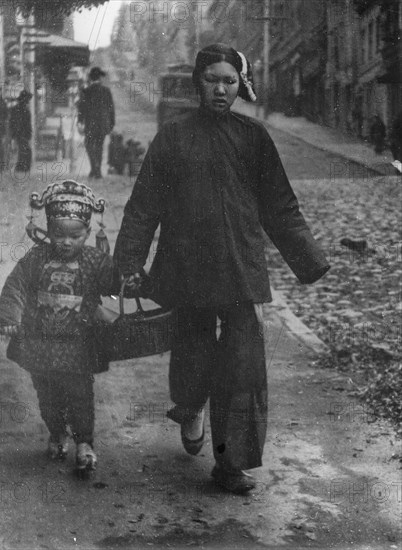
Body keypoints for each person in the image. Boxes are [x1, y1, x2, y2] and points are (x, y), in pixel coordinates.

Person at [113, 44, 330, 495]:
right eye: (212, 79)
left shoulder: (253, 137)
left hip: (239, 267)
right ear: (198, 82)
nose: (220, 88)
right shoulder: (173, 137)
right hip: (186, 268)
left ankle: (232, 463)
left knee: (243, 367)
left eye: (229, 81)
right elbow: (143, 206)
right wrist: (129, 264)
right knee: (192, 350)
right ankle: (190, 405)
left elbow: (280, 205)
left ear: (239, 86)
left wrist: (309, 261)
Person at [0, 180, 118, 477]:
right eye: (58, 234)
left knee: (80, 395)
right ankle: (56, 432)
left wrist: (128, 277)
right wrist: (11, 315)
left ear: (88, 233)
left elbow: (114, 280)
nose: (65, 242)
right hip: (41, 345)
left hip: (78, 346)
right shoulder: (36, 258)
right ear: (47, 230)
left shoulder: (93, 260)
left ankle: (85, 444)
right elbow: (16, 286)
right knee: (47, 396)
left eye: (75, 236)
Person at [77, 67, 115, 179]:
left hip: (90, 123)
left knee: (89, 145)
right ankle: (96, 170)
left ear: (90, 78)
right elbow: (111, 108)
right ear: (100, 78)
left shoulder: (86, 91)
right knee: (99, 146)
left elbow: (81, 108)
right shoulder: (106, 91)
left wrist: (80, 121)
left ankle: (95, 168)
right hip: (103, 123)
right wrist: (111, 123)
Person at [10, 90, 33, 172]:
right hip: (21, 134)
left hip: (19, 134)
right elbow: (26, 125)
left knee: (23, 151)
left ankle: (21, 167)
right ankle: (22, 168)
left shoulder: (15, 110)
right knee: (24, 151)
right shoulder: (24, 111)